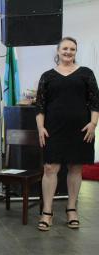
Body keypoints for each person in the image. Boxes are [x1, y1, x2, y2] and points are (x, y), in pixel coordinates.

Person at [36, 37, 99, 231]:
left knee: (75, 169)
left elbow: (95, 102)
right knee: (50, 168)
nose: (68, 52)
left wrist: (93, 124)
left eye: (72, 49)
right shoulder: (47, 76)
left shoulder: (86, 73)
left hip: (81, 129)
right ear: (57, 51)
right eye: (65, 48)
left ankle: (72, 209)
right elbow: (40, 105)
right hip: (53, 129)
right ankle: (47, 212)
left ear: (75, 52)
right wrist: (40, 127)